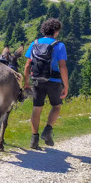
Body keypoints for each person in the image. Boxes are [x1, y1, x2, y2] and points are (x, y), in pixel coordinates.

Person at [23, 18, 68, 150]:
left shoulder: (34, 43)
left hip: (37, 81)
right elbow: (63, 67)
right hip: (54, 81)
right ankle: (47, 130)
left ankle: (34, 139)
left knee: (37, 109)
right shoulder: (59, 45)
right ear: (55, 31)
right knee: (56, 106)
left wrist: (26, 83)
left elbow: (27, 66)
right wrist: (66, 85)